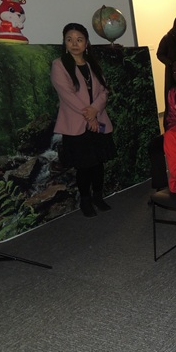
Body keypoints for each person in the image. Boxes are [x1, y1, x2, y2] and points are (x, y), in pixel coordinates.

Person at [51, 23, 116, 217]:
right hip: (76, 125)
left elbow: (104, 91)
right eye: (69, 39)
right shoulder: (59, 65)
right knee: (84, 166)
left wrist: (95, 110)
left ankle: (98, 196)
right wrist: (89, 116)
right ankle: (85, 201)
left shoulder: (92, 64)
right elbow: (67, 95)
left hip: (98, 120)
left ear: (86, 43)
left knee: (98, 164)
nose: (74, 43)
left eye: (79, 39)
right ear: (64, 43)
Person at [155, 15, 176, 103]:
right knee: (172, 94)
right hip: (172, 70)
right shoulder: (168, 37)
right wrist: (170, 63)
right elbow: (160, 54)